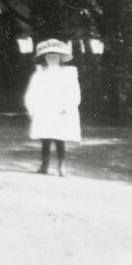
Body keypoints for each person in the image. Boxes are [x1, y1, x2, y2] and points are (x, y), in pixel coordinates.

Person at [24, 38, 81, 175]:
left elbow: (74, 91)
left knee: (59, 137)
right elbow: (32, 92)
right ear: (44, 58)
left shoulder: (68, 73)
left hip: (61, 109)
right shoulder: (40, 74)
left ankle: (62, 166)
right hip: (44, 107)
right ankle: (44, 165)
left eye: (55, 56)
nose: (52, 58)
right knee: (46, 137)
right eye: (49, 56)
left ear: (61, 57)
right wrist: (32, 108)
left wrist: (67, 106)